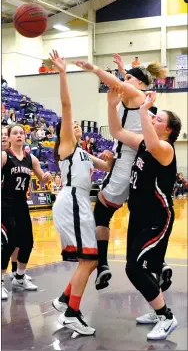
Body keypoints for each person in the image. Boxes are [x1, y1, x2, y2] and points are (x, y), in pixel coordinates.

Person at [73, 57, 171, 292]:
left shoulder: (134, 95)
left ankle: (103, 264)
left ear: (138, 82)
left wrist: (94, 68)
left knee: (103, 213)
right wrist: (123, 70)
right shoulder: (147, 99)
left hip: (127, 161)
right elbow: (130, 82)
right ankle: (157, 262)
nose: (122, 80)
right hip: (142, 163)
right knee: (141, 216)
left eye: (127, 77)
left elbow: (119, 89)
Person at [108, 88, 181, 340]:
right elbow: (117, 132)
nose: (153, 119)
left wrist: (143, 109)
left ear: (168, 130)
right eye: (153, 116)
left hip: (157, 218)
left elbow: (151, 142)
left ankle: (166, 316)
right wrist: (111, 103)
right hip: (138, 216)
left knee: (134, 268)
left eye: (158, 119)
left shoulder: (164, 148)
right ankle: (156, 308)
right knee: (146, 268)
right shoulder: (143, 143)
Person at [49, 50, 113, 336]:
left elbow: (107, 165)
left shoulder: (84, 154)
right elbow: (66, 106)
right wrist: (63, 73)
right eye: (71, 125)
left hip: (80, 204)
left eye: (76, 125)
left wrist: (111, 155)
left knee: (91, 259)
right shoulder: (67, 147)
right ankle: (72, 313)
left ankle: (64, 300)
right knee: (89, 259)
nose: (74, 125)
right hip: (71, 200)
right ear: (65, 131)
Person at [1, 124, 52, 300]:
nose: (19, 135)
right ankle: (0, 281)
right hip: (5, 204)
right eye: (15, 133)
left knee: (28, 241)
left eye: (21, 133)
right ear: (8, 137)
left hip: (21, 204)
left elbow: (42, 178)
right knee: (9, 241)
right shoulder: (4, 156)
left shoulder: (31, 159)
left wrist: (46, 177)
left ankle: (19, 278)